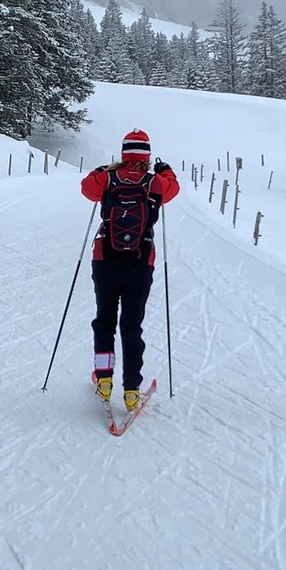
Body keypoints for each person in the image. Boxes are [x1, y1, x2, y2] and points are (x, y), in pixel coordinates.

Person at [79, 129, 179, 410]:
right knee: (131, 326)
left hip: (105, 259)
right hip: (140, 260)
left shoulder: (107, 179)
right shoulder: (155, 182)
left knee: (104, 321)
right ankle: (132, 390)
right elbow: (174, 187)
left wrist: (103, 168)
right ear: (147, 155)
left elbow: (87, 187)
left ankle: (104, 379)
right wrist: (166, 170)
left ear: (124, 153)